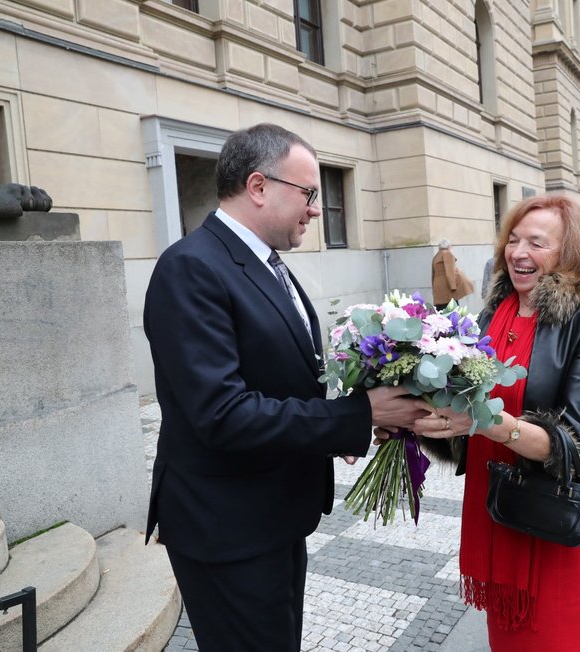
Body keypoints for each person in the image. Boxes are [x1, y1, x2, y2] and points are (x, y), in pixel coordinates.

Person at [143, 123, 430, 651]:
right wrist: (360, 414)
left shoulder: (268, 264)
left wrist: (359, 422)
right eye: (310, 193)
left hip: (271, 516)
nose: (317, 209)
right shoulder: (190, 268)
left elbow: (282, 383)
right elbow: (224, 414)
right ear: (258, 186)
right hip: (227, 528)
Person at [412, 194, 580, 651]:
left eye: (537, 243)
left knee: (558, 639)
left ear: (570, 253)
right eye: (514, 239)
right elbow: (466, 409)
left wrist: (484, 421)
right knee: (508, 638)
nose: (518, 252)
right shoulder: (495, 311)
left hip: (557, 513)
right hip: (499, 505)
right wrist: (421, 414)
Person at [431, 239, 474, 309]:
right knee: (452, 310)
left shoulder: (436, 256)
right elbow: (450, 272)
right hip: (447, 288)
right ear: (449, 247)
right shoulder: (447, 254)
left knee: (440, 310)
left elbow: (433, 274)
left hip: (438, 288)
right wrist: (453, 286)